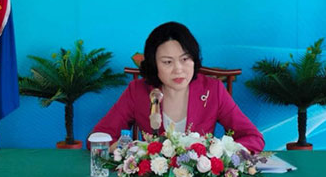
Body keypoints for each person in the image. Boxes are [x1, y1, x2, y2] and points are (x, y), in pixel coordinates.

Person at [93, 21, 264, 152]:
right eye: (167, 62)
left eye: (185, 59)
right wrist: (130, 152)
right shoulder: (137, 91)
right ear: (154, 64)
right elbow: (99, 138)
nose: (178, 69)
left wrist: (219, 154)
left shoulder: (213, 90)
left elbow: (253, 138)